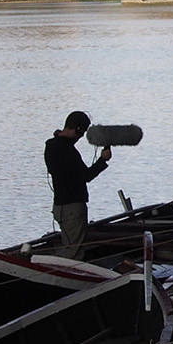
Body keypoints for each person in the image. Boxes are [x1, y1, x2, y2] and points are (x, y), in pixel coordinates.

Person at [46, 110, 111, 257]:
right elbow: (86, 176)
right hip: (72, 209)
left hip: (59, 206)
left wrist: (59, 136)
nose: (81, 137)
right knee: (74, 252)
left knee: (69, 244)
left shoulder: (50, 145)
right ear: (77, 130)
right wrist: (103, 160)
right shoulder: (68, 151)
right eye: (81, 133)